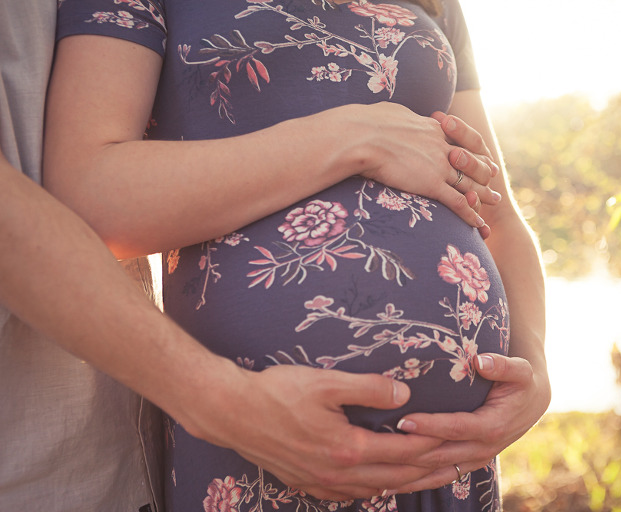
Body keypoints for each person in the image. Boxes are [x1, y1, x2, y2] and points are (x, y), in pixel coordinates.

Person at [44, 0, 550, 511]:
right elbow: (90, 194)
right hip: (261, 448)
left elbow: (497, 215)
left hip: (450, 467)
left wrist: (534, 366)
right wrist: (355, 138)